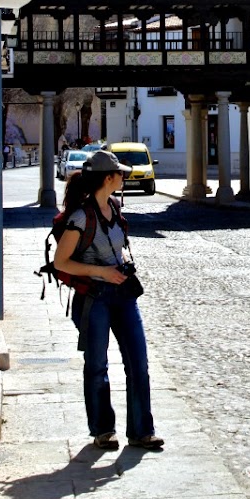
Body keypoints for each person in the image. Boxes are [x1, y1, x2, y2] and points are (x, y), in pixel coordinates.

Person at [54, 149, 163, 451]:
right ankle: (103, 430)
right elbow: (61, 262)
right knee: (98, 365)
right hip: (94, 299)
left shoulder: (114, 207)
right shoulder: (80, 217)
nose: (124, 178)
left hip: (124, 296)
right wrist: (100, 270)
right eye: (120, 174)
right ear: (108, 178)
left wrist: (122, 264)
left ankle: (142, 431)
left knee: (138, 362)